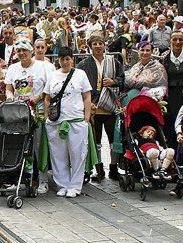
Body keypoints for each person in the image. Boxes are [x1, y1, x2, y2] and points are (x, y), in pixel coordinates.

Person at [43, 46, 93, 198]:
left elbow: (87, 96)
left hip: (76, 120)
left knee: (78, 154)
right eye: (61, 59)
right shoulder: (53, 75)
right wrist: (47, 117)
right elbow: (47, 98)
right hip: (56, 121)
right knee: (58, 155)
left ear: (72, 59)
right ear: (57, 60)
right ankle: (62, 184)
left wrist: (86, 118)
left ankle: (75, 186)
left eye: (67, 59)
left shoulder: (80, 74)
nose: (64, 62)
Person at [78, 35, 123, 182]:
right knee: (95, 140)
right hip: (93, 106)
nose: (98, 46)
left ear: (105, 45)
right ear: (90, 46)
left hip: (109, 105)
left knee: (112, 139)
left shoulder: (114, 62)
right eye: (95, 44)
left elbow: (123, 80)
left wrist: (114, 81)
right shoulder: (84, 64)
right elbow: (79, 85)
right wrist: (88, 102)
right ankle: (98, 168)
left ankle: (114, 167)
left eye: (100, 43)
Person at [161, 29, 183, 144]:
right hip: (170, 96)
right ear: (170, 41)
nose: (177, 42)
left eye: (180, 39)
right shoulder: (164, 58)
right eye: (174, 39)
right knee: (170, 123)